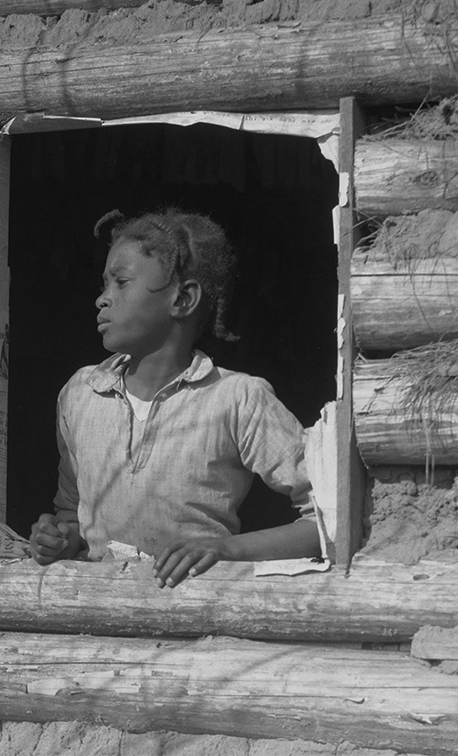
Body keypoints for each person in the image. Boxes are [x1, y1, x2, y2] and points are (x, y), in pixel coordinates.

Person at [29, 208, 320, 588]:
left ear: (182, 299)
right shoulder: (82, 394)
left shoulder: (236, 399)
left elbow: (329, 518)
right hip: (100, 618)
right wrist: (59, 539)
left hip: (194, 616)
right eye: (104, 285)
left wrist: (226, 549)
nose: (102, 299)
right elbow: (72, 513)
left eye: (121, 282)